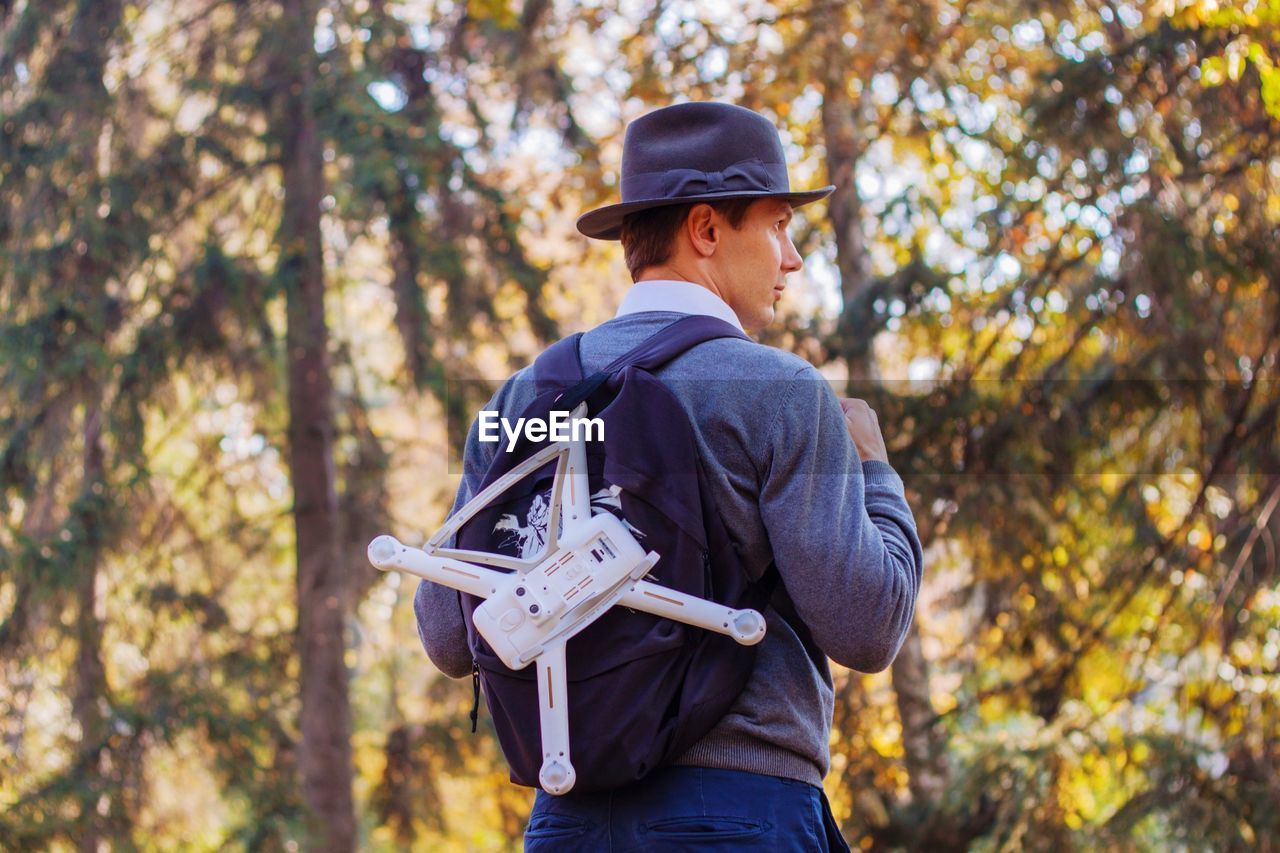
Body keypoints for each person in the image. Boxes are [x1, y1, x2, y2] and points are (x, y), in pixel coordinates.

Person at [414, 101, 924, 851]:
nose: (794, 258)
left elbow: (446, 636)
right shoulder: (780, 391)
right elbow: (868, 626)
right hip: (738, 813)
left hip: (568, 820)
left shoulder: (524, 396)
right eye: (779, 225)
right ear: (708, 230)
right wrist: (876, 473)